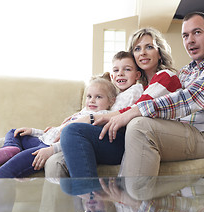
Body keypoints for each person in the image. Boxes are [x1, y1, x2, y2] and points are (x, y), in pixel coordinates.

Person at [97, 11, 204, 183]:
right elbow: (167, 100)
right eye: (185, 35)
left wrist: (135, 111)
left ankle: (133, 201)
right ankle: (127, 195)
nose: (190, 40)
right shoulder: (187, 71)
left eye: (197, 32)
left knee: (140, 126)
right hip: (181, 132)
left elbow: (190, 99)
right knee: (135, 125)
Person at [60, 27, 182, 178]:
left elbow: (137, 108)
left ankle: (90, 197)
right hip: (128, 137)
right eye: (137, 49)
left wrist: (92, 118)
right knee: (66, 144)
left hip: (152, 140)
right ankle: (87, 196)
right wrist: (78, 116)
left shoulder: (166, 76)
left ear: (160, 52)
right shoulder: (138, 87)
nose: (142, 52)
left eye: (149, 47)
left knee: (73, 131)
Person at [0, 75, 117, 177]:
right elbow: (55, 132)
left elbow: (74, 140)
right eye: (89, 96)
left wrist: (51, 150)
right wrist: (33, 131)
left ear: (111, 101)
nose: (92, 100)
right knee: (15, 132)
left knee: (11, 167)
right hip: (43, 139)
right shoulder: (82, 113)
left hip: (49, 146)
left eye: (98, 97)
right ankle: (11, 148)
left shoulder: (101, 117)